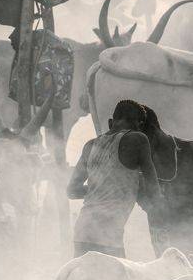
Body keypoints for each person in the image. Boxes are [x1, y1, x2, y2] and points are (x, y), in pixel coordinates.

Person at [67, 100, 159, 258]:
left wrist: (100, 186)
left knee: (85, 274)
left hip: (82, 230)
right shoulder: (139, 139)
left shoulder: (90, 145)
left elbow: (72, 191)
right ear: (139, 124)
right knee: (117, 274)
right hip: (108, 232)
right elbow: (154, 191)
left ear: (111, 122)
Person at [137, 104, 193, 262]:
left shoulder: (188, 150)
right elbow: (144, 200)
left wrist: (176, 201)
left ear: (153, 132)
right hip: (164, 243)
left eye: (140, 140)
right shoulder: (139, 161)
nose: (136, 146)